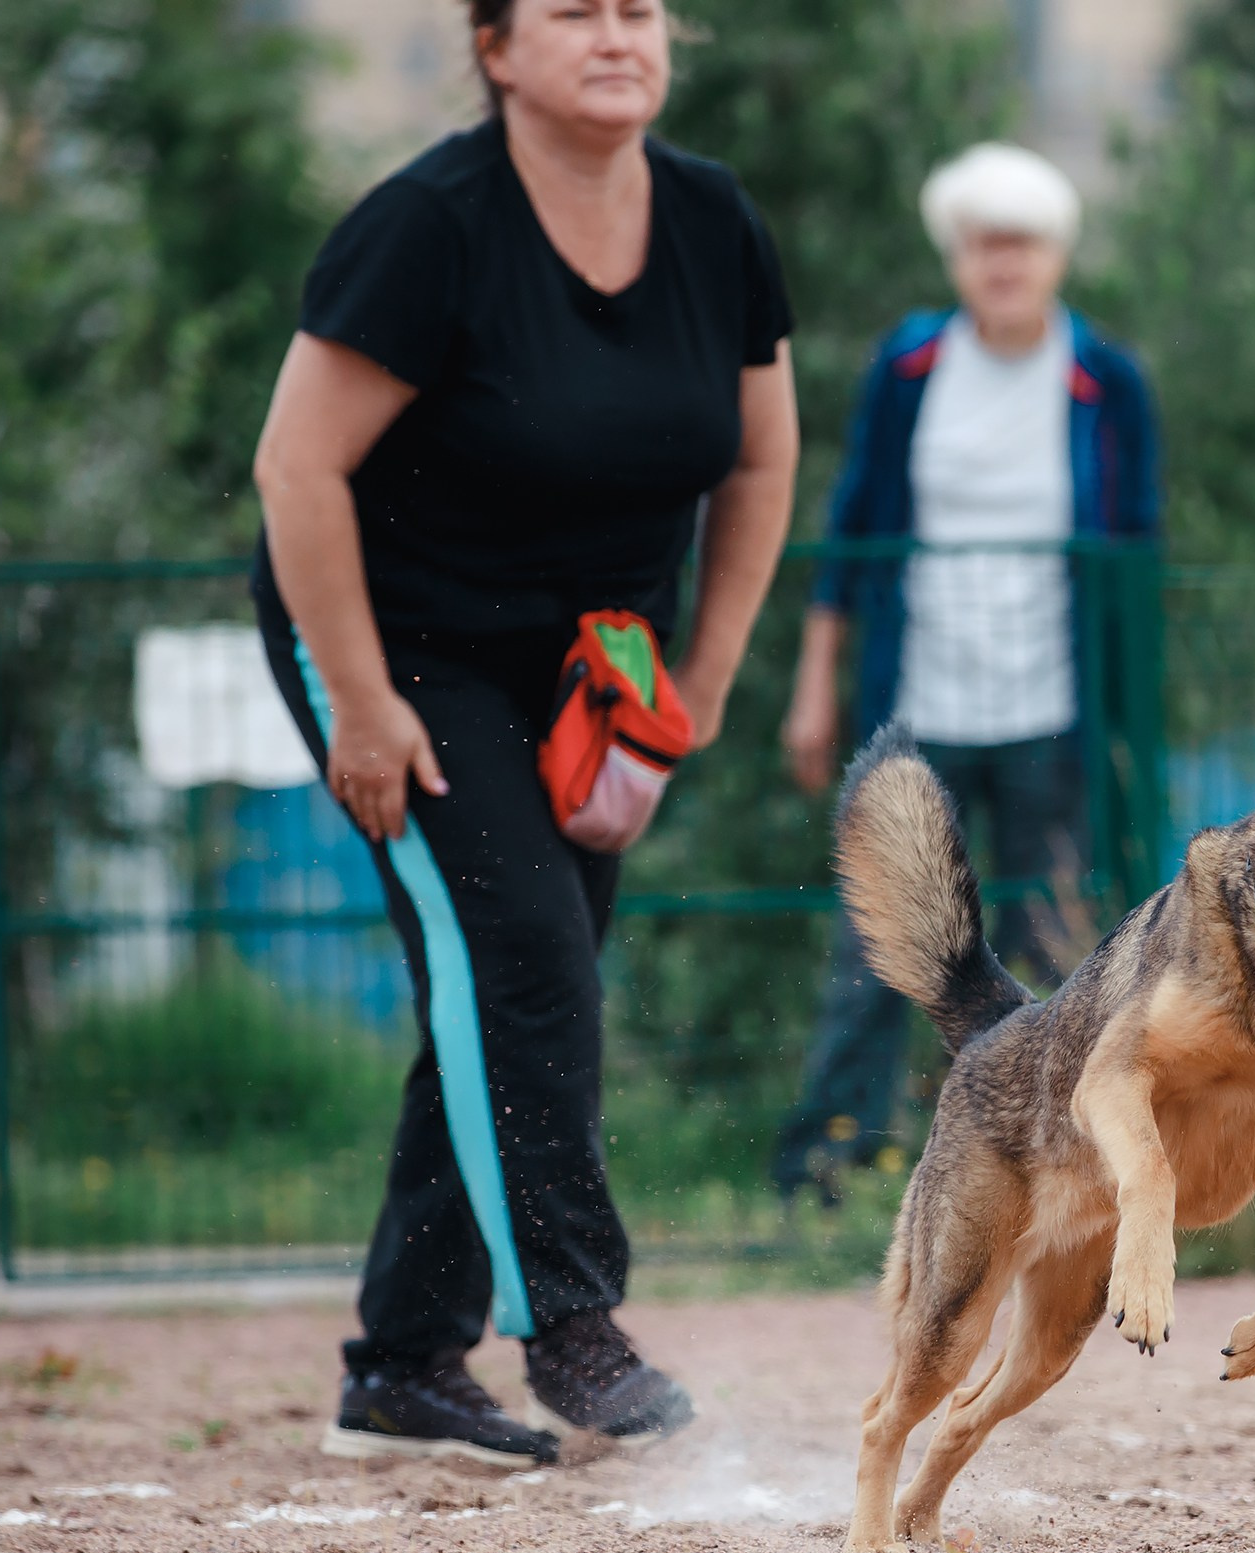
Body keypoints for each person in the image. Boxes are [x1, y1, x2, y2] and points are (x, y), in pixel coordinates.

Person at [248, 0, 797, 1467]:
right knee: (524, 963)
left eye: (640, 8)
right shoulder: (428, 226)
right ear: (495, 48)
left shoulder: (713, 218)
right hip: (396, 640)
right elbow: (294, 468)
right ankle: (573, 1322)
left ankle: (404, 1360)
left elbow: (761, 450)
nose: (618, 32)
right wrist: (358, 701)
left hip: (584, 666)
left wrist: (714, 665)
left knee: (509, 986)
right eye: (573, 10)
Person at [772, 142, 1159, 1197]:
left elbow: (1135, 554)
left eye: (1023, 243)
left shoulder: (1105, 381)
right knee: (881, 941)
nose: (1004, 264)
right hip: (922, 702)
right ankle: (830, 1160)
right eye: (985, 244)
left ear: (1056, 256)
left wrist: (1127, 714)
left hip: (1053, 710)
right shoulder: (908, 371)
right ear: (956, 257)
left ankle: (1063, 1157)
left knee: (1060, 937)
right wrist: (818, 683)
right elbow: (852, 529)